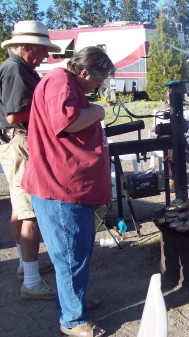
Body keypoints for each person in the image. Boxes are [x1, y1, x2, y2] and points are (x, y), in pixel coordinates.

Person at [22, 46, 114, 336]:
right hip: (60, 187)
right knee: (71, 254)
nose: (99, 87)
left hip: (68, 185)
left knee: (77, 251)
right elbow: (69, 121)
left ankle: (73, 299)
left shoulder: (67, 82)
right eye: (98, 81)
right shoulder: (61, 82)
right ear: (85, 71)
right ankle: (73, 320)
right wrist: (98, 111)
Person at [0, 20, 60, 300]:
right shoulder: (15, 69)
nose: (44, 57)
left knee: (18, 207)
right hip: (20, 141)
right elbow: (14, 114)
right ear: (29, 47)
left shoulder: (18, 67)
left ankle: (26, 267)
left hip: (15, 142)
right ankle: (32, 283)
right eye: (42, 50)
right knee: (30, 209)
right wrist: (49, 111)